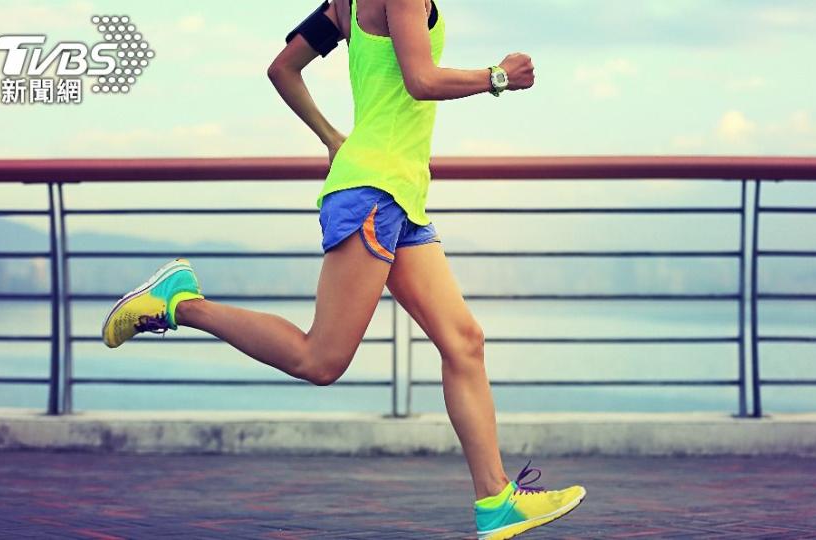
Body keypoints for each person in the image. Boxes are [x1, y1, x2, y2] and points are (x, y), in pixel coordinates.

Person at [101, 0, 586, 537]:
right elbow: (421, 80)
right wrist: (497, 77)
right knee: (321, 359)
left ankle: (497, 501)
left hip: (399, 196)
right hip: (375, 194)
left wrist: (334, 138)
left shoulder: (344, 4)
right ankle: (179, 303)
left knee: (464, 342)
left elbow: (282, 68)